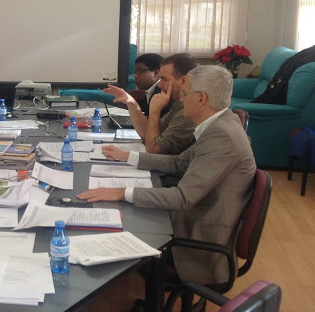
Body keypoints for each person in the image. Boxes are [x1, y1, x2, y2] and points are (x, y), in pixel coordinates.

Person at [79, 65, 256, 285]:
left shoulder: (222, 136)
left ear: (201, 99)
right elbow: (178, 162)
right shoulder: (221, 123)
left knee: (117, 216)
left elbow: (182, 198)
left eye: (185, 94)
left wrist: (121, 192)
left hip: (198, 238)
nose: (180, 99)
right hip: (195, 214)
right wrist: (127, 157)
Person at [104, 53, 198, 154]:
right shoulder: (178, 104)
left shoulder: (189, 111)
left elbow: (153, 150)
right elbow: (148, 134)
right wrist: (131, 102)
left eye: (164, 79)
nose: (160, 85)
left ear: (183, 81)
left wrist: (154, 111)